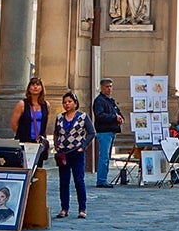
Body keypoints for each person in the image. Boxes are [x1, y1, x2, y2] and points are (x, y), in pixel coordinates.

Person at [54, 91, 92, 219]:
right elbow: (56, 132)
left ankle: (82, 208)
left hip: (76, 152)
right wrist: (56, 144)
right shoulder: (59, 117)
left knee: (79, 180)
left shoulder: (83, 116)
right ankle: (64, 208)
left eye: (69, 102)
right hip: (63, 153)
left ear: (75, 103)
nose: (67, 104)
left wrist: (83, 146)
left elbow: (92, 132)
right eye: (64, 102)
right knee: (64, 181)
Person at [92, 78, 123, 188]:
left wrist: (120, 118)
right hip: (104, 131)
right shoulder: (99, 101)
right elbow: (99, 116)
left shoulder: (111, 101)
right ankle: (101, 180)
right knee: (104, 157)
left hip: (111, 131)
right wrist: (114, 117)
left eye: (110, 86)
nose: (109, 89)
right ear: (101, 88)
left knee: (107, 157)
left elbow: (117, 112)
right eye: (107, 87)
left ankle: (103, 178)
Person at [11, 77, 52, 145]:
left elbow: (44, 124)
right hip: (24, 141)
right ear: (29, 88)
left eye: (38, 85)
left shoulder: (46, 105)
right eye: (33, 85)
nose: (35, 87)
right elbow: (13, 124)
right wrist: (22, 134)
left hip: (39, 142)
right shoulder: (22, 104)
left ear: (42, 88)